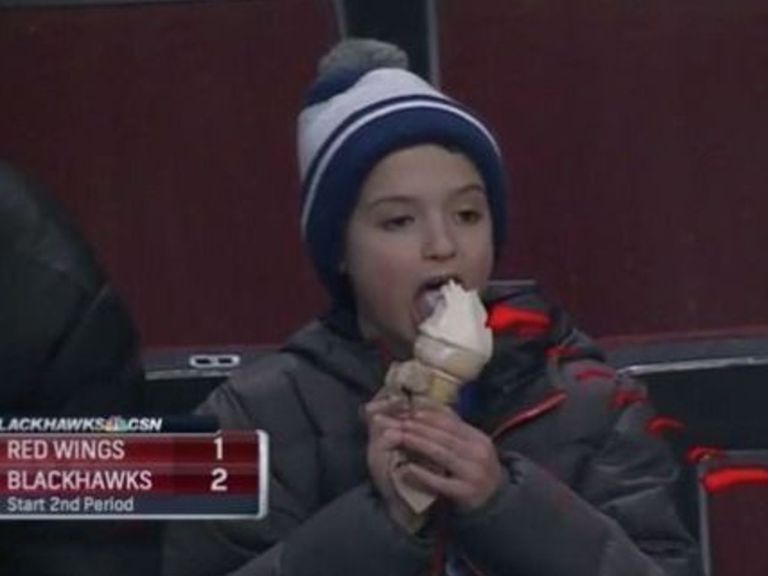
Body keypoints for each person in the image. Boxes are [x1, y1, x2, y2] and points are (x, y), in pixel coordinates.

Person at [163, 39, 701, 576]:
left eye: (467, 214)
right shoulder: (243, 420)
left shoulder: (597, 402)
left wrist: (505, 503)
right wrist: (382, 522)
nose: (443, 245)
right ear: (340, 250)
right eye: (399, 221)